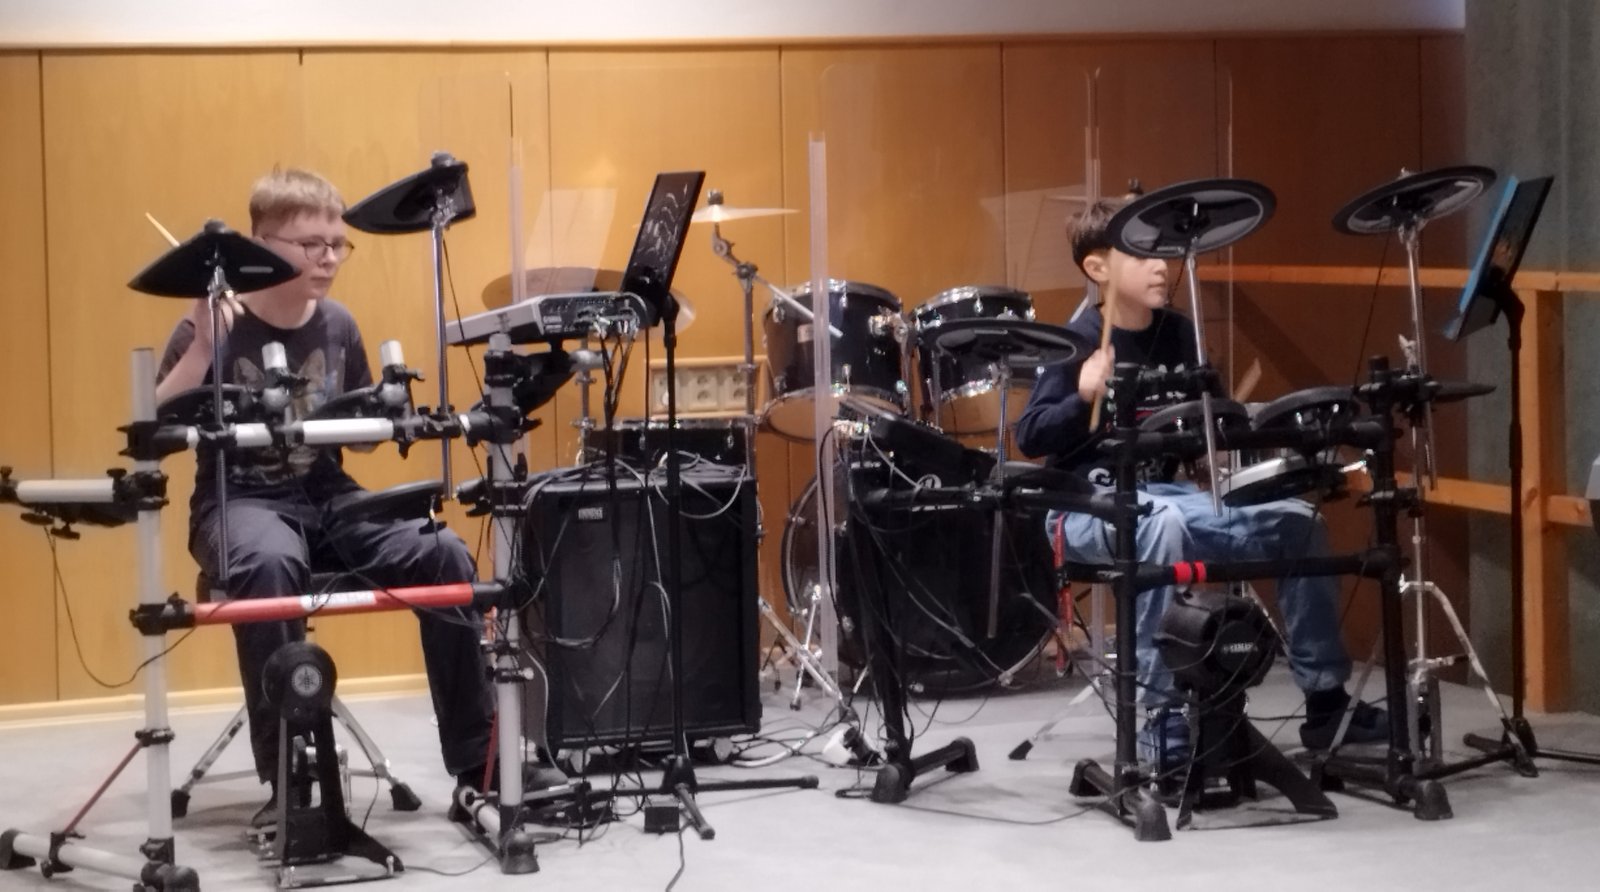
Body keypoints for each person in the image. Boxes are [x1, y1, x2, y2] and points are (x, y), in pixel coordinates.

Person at [156, 168, 494, 824]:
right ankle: (289, 777)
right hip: (238, 502)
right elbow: (149, 425)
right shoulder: (212, 324)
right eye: (312, 244)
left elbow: (359, 442)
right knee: (270, 563)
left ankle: (478, 765)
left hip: (330, 501)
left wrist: (386, 417)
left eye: (338, 244)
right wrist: (202, 348)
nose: (330, 257)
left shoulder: (338, 324)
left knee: (444, 554)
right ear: (261, 243)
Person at [1013, 197, 1388, 776]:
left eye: (1163, 253)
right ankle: (1161, 720)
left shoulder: (1180, 335)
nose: (1161, 266)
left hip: (1173, 500)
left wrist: (1232, 450)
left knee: (1299, 523)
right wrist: (1082, 395)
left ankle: (1326, 704)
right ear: (1097, 267)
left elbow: (1210, 425)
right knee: (1161, 525)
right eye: (1143, 254)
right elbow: (1030, 436)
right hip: (1086, 506)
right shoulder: (1076, 341)